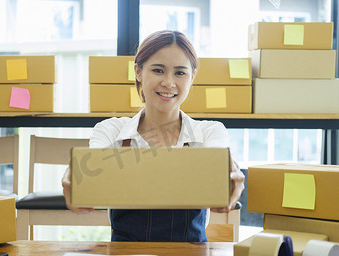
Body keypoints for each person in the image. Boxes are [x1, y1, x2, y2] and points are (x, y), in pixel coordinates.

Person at [62, 30, 245, 242]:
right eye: (158, 70)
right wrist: (77, 175)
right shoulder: (111, 131)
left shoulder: (209, 132)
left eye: (180, 73)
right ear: (138, 72)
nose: (168, 82)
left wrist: (226, 175)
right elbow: (94, 161)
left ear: (192, 77)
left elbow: (217, 159)